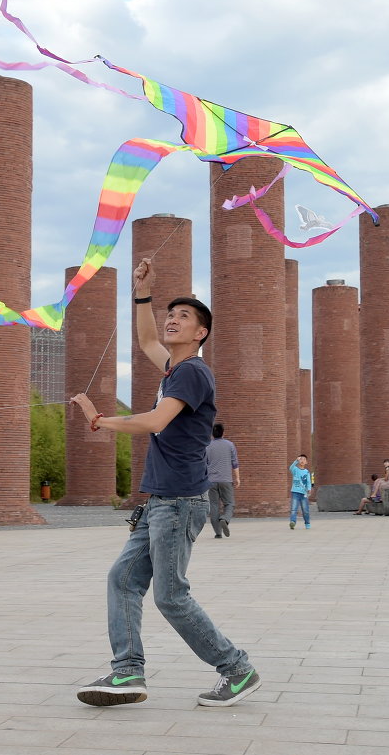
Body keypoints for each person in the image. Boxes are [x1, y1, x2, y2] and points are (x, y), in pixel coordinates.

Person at [68, 257, 259, 709]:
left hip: (179, 503)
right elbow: (148, 339)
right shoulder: (174, 369)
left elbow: (156, 421)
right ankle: (127, 673)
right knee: (122, 579)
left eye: (184, 316)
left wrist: (100, 419)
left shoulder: (193, 372)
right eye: (171, 313)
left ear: (201, 333)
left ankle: (237, 670)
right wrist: (143, 293)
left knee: (170, 596)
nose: (173, 319)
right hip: (162, 502)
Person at [205, 422, 240, 538]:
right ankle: (225, 518)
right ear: (223, 433)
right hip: (226, 480)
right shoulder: (230, 445)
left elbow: (203, 464)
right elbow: (235, 463)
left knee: (214, 506)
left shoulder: (207, 446)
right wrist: (237, 478)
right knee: (229, 503)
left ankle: (218, 533)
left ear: (212, 434)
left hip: (211, 481)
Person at [288, 455, 312, 529]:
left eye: (304, 459)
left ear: (306, 462)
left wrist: (309, 489)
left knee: (305, 510)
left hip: (303, 493)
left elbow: (308, 481)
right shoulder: (295, 469)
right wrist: (296, 461)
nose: (302, 461)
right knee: (294, 508)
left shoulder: (307, 472)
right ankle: (293, 522)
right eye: (301, 459)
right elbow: (290, 468)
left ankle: (307, 523)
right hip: (295, 492)